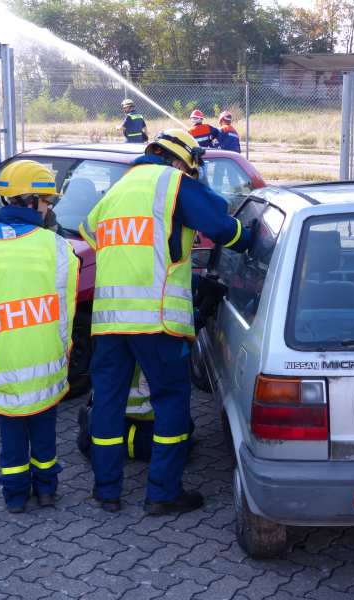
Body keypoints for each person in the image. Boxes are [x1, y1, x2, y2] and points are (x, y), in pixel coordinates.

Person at [78, 129, 252, 515]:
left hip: (109, 323)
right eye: (190, 170)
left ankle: (106, 491)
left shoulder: (117, 191)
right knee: (171, 401)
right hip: (157, 321)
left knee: (108, 404)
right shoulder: (174, 183)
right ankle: (162, 493)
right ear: (177, 162)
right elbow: (222, 226)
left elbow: (90, 230)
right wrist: (249, 238)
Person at [0, 160, 79, 514]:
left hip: (3, 361)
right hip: (47, 360)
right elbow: (66, 306)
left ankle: (16, 496)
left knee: (11, 437)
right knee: (44, 432)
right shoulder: (54, 246)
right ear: (30, 199)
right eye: (46, 201)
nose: (49, 207)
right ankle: (48, 489)